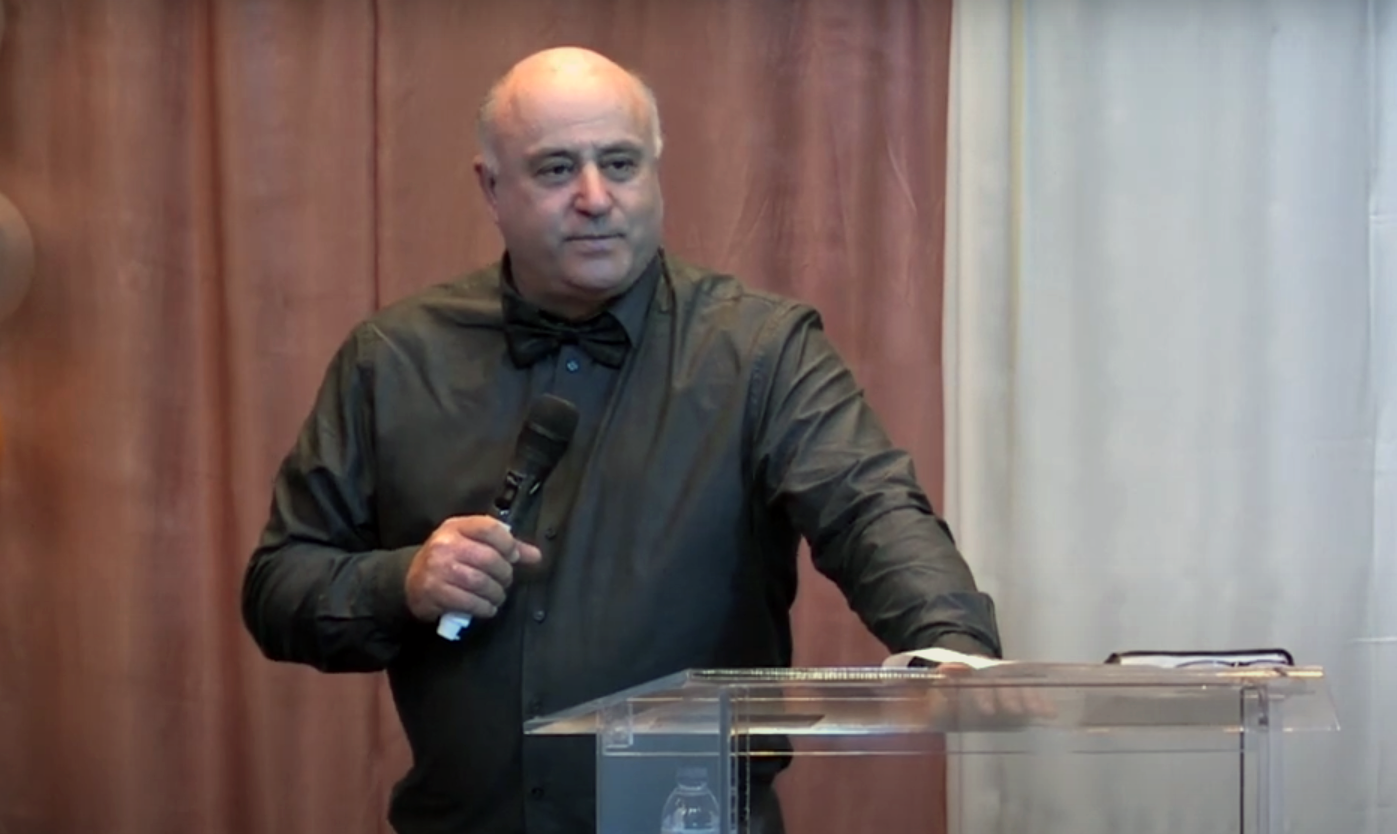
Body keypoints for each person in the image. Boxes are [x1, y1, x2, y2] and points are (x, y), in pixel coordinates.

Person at [241, 45, 1002, 834]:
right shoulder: (393, 359)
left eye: (619, 163)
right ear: (491, 187)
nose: (595, 198)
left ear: (654, 171)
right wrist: (401, 582)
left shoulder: (760, 351)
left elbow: (868, 505)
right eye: (556, 169)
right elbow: (278, 586)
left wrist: (946, 640)